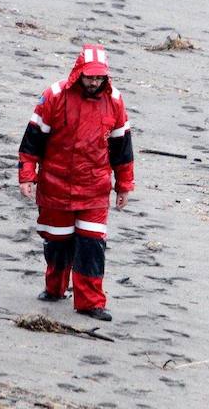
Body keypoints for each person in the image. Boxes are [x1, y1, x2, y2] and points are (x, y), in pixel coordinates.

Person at [18, 44, 135, 321]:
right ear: (78, 73)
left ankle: (90, 303)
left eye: (99, 77)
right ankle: (55, 288)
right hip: (55, 185)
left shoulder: (115, 100)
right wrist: (27, 175)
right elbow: (32, 140)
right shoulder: (55, 95)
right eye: (90, 76)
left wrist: (124, 185)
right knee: (57, 242)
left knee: (92, 245)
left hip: (94, 188)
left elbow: (123, 149)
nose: (94, 82)